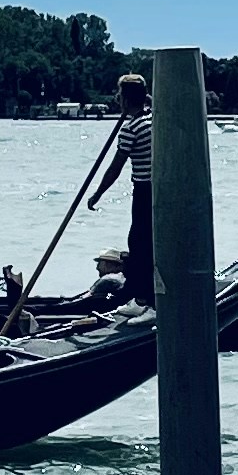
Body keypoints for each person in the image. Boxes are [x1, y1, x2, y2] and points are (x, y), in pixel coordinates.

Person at [82, 75, 157, 304]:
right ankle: (145, 292)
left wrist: (97, 194)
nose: (117, 99)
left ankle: (141, 297)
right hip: (160, 190)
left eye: (120, 95)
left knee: (138, 242)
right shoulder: (154, 120)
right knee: (148, 241)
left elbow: (115, 168)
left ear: (124, 99)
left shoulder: (131, 128)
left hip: (144, 190)